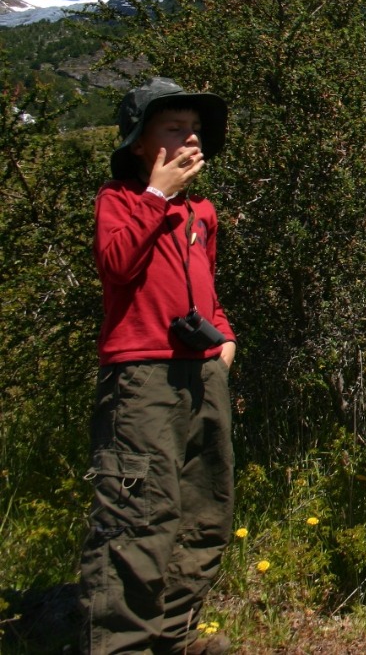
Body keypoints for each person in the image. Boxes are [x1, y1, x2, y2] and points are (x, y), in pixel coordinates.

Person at [80, 77, 236, 655]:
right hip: (140, 376)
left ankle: (173, 635)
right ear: (141, 143)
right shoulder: (118, 200)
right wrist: (156, 196)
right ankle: (124, 645)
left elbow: (205, 288)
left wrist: (225, 334)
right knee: (138, 515)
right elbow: (117, 265)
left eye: (195, 128)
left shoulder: (202, 211)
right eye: (174, 127)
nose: (191, 137)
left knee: (205, 510)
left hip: (201, 370)